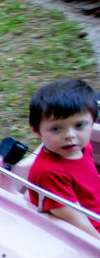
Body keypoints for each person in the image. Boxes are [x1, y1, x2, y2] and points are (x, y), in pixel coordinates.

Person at [28, 78, 100, 239]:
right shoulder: (50, 172)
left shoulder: (82, 147)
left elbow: (88, 180)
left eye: (79, 125)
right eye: (56, 128)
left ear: (92, 122)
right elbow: (71, 215)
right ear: (36, 130)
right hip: (90, 228)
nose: (70, 136)